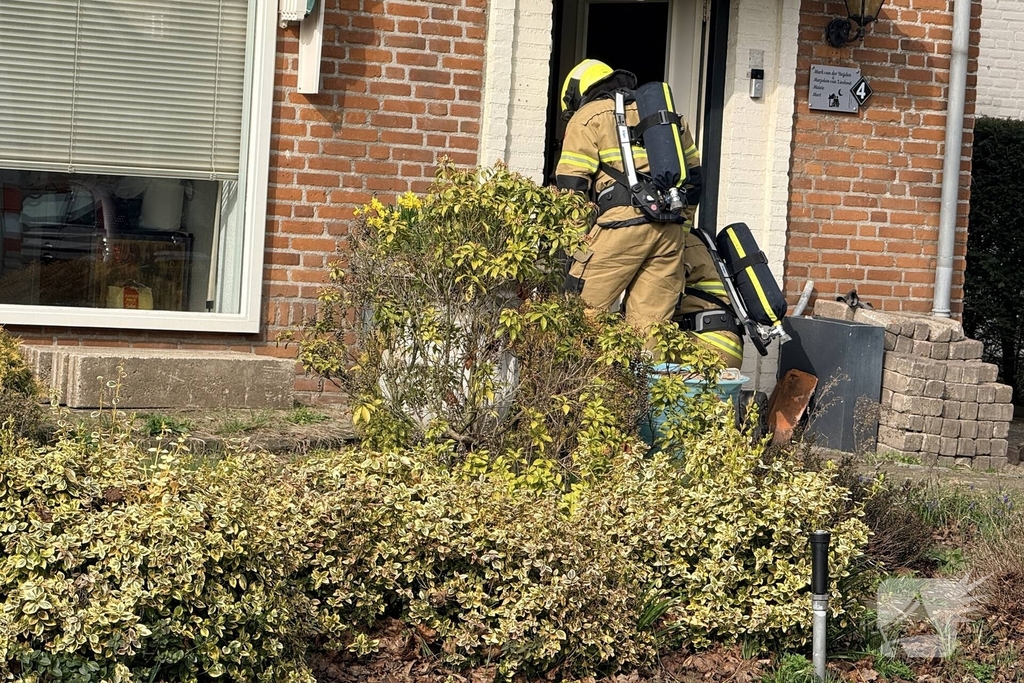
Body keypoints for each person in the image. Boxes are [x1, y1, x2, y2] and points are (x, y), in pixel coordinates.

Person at [555, 59, 743, 366]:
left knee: (578, 316)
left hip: (619, 228)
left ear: (579, 93)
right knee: (650, 333)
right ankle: (639, 407)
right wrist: (680, 234)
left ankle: (578, 401)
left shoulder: (587, 117)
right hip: (669, 232)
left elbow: (571, 188)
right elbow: (694, 180)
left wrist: (575, 244)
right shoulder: (668, 119)